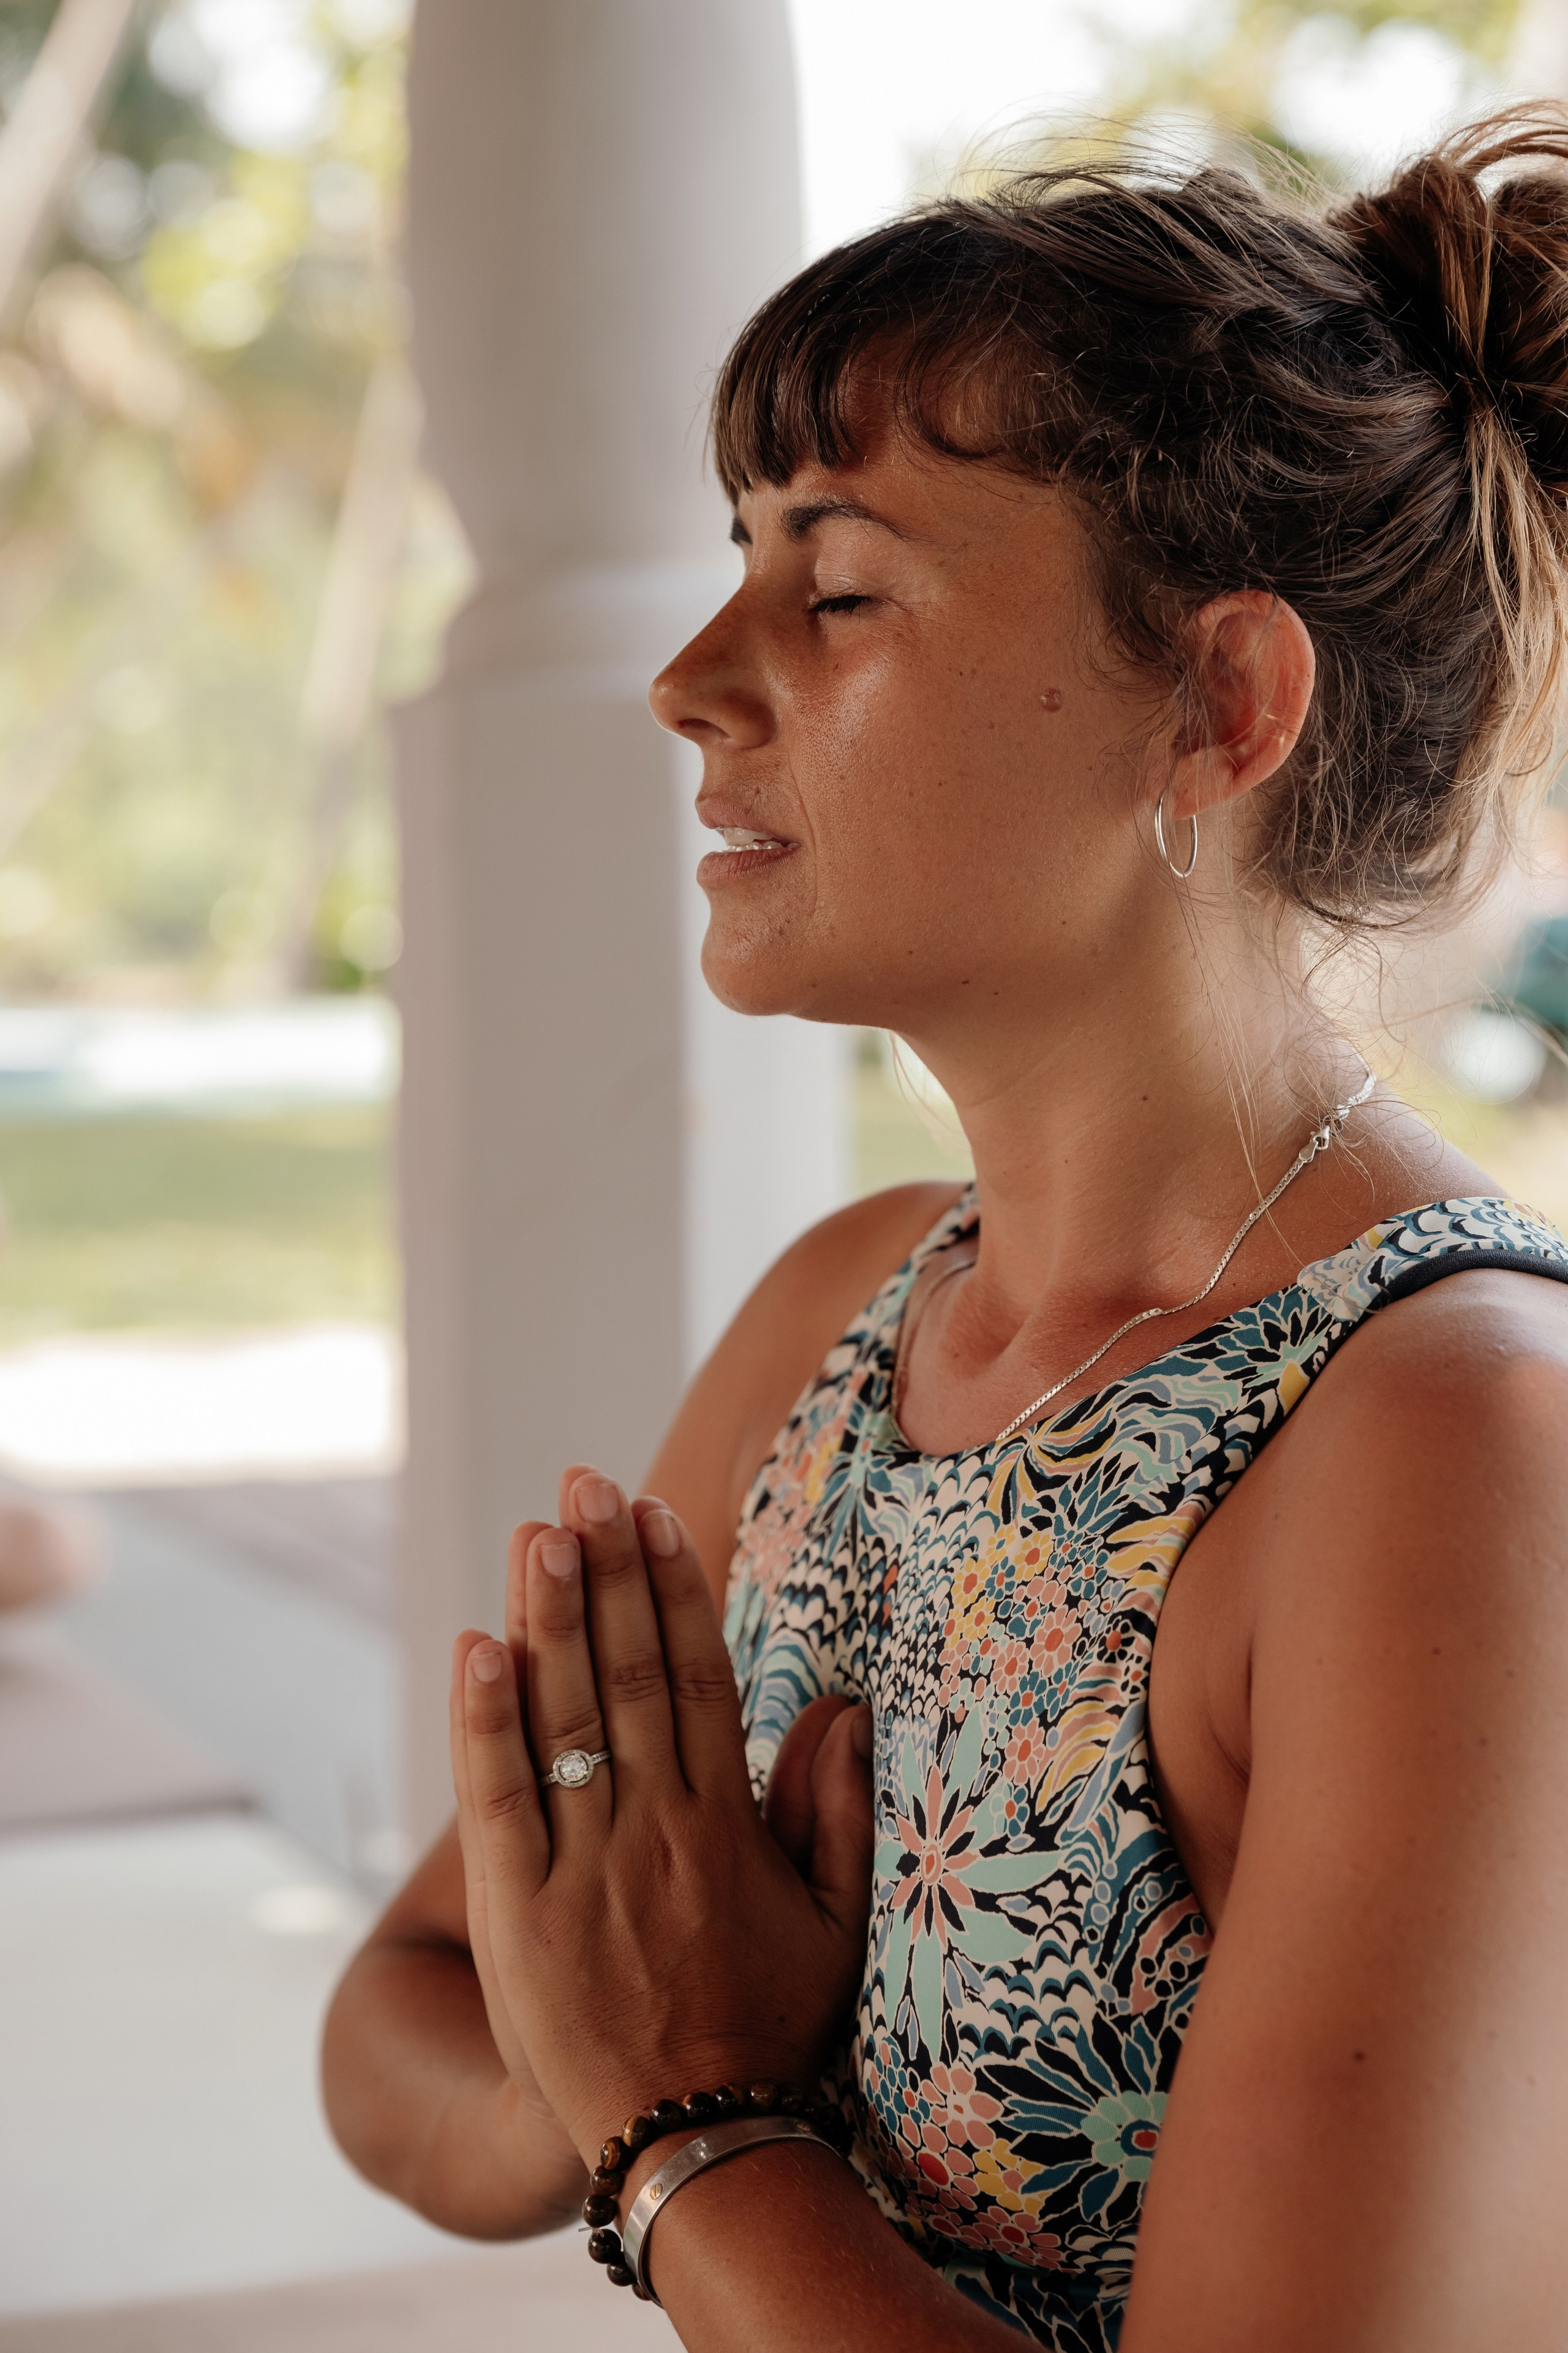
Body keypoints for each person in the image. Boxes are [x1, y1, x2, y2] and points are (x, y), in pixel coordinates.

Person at [323, 109, 1568, 2350]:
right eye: (729, 558)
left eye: (838, 583)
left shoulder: (1456, 1452)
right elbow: (407, 2013)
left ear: (1217, 704)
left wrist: (678, 2112)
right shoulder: (853, 1306)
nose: (691, 674)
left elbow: (585, 2061)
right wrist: (633, 2038)